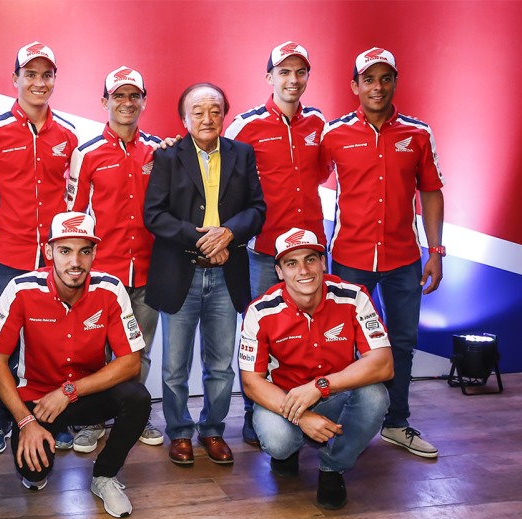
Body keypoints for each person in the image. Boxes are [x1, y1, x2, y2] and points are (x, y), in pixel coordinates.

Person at [320, 47, 445, 458]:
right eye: (369, 79)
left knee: (402, 342)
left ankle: (396, 422)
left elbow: (431, 192)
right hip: (349, 259)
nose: (377, 87)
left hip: (403, 259)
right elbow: (301, 177)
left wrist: (435, 251)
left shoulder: (418, 133)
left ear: (395, 83)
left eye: (385, 78)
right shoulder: (333, 134)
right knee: (342, 344)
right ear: (354, 86)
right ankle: (338, 422)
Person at [0, 212, 151, 518]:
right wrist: (25, 422)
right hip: (38, 400)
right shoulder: (20, 289)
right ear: (48, 251)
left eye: (84, 251)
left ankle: (105, 476)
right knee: (33, 474)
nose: (75, 262)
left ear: (94, 253)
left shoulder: (111, 288)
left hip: (84, 392)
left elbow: (131, 363)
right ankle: (36, 443)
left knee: (137, 397)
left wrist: (69, 391)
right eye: (65, 251)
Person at [144, 83, 266, 466]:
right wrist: (204, 239)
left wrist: (229, 233)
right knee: (174, 367)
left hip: (227, 274)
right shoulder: (167, 156)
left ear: (224, 115)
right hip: (181, 272)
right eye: (197, 111)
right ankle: (179, 432)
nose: (207, 118)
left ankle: (213, 429)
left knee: (220, 365)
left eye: (214, 110)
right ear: (184, 118)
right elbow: (154, 215)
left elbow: (257, 209)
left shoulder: (242, 153)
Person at [0, 41, 78, 454]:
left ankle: (49, 416)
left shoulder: (68, 135)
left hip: (53, 261)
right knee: (3, 343)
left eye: (46, 75)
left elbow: (73, 197)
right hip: (4, 257)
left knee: (50, 342)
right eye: (30, 74)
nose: (38, 83)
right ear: (15, 79)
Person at [239, 228, 393, 509]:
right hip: (285, 400)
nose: (303, 270)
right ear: (279, 272)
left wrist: (320, 386)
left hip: (336, 394)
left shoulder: (353, 297)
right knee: (278, 441)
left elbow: (383, 363)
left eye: (310, 259)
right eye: (291, 263)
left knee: (376, 395)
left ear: (323, 262)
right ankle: (288, 451)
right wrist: (302, 416)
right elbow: (252, 382)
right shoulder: (260, 311)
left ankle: (333, 468)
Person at [225, 41, 328, 446]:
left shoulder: (319, 122)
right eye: (284, 72)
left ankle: (306, 410)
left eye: (300, 72)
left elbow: (322, 173)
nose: (293, 79)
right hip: (264, 252)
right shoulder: (245, 125)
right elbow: (219, 173)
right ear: (269, 77)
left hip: (311, 251)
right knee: (260, 337)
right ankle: (256, 418)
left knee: (311, 334)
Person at [67, 66, 163, 452]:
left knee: (139, 350)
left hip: (149, 270)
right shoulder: (86, 153)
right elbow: (73, 217)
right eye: (118, 96)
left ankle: (133, 414)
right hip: (103, 274)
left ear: (144, 101)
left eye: (134, 95)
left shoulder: (158, 150)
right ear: (104, 101)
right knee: (96, 352)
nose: (127, 102)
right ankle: (91, 419)